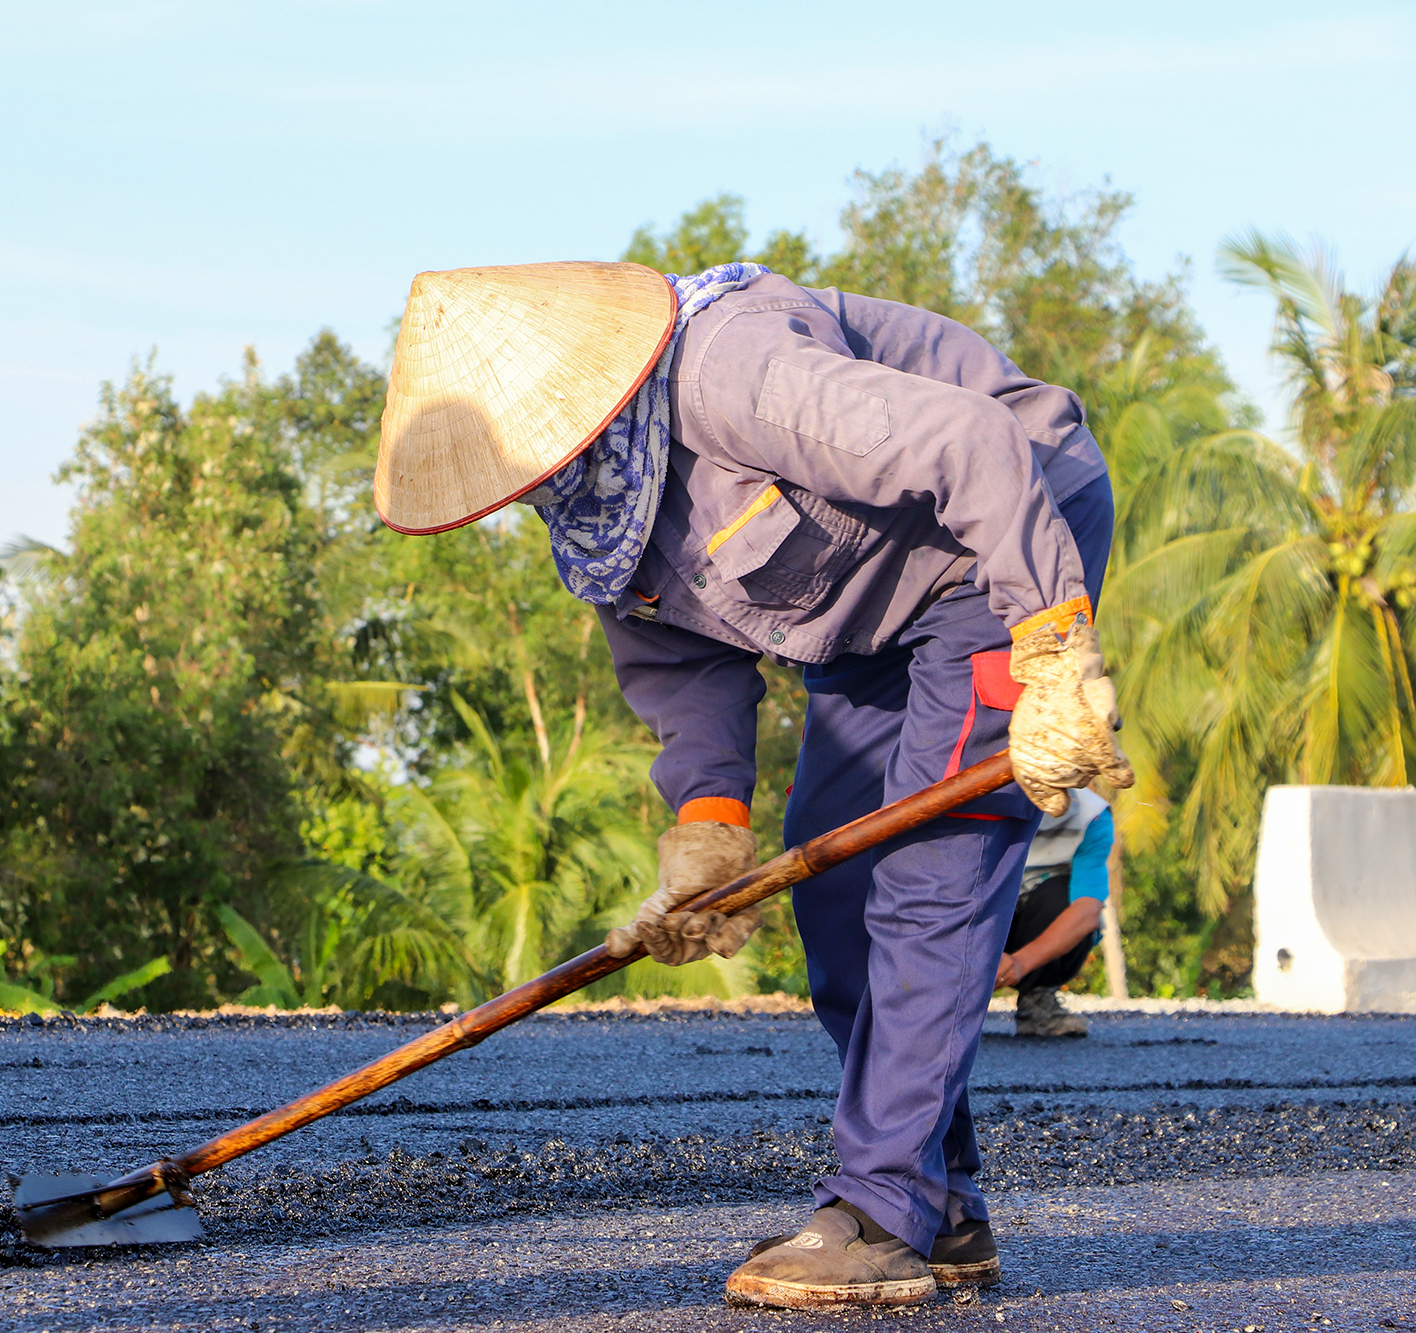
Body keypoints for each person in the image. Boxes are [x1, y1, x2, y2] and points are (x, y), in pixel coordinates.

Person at [373, 261, 1132, 1309]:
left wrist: (1050, 646)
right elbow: (687, 676)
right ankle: (941, 1203)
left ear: (577, 402)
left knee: (925, 874)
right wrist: (707, 831)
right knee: (833, 900)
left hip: (1000, 545)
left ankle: (879, 1208)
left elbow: (973, 447)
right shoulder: (595, 519)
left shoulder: (731, 372)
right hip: (871, 618)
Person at [1000, 787, 1112, 1037]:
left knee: (1062, 895)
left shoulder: (1091, 816)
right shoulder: (975, 798)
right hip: (975, 918)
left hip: (1029, 934)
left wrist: (1019, 963)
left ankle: (1037, 997)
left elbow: (1087, 910)